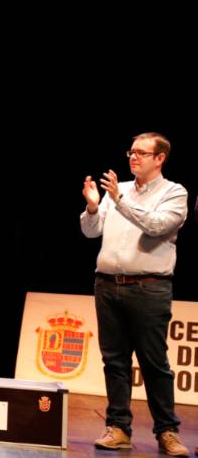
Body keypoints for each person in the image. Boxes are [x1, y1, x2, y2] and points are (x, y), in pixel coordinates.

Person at [80, 132, 189, 456]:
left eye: (142, 152)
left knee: (154, 363)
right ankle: (118, 428)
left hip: (149, 287)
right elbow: (90, 231)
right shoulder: (119, 190)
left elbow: (156, 226)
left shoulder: (174, 193)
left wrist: (119, 200)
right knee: (114, 361)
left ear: (160, 158)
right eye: (131, 152)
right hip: (107, 285)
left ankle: (167, 431)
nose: (133, 157)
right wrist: (92, 207)